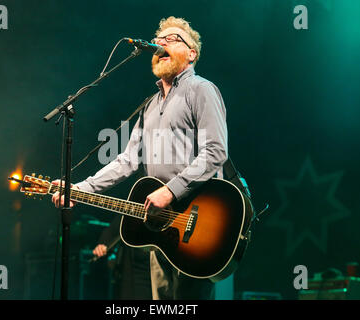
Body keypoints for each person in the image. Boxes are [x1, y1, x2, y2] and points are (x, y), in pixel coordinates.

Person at [52, 16, 228, 300]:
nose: (161, 44)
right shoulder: (150, 105)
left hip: (198, 222)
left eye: (172, 39)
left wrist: (171, 191)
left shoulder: (201, 90)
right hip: (162, 229)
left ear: (191, 53)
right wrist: (79, 188)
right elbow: (127, 160)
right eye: (159, 41)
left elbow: (216, 151)